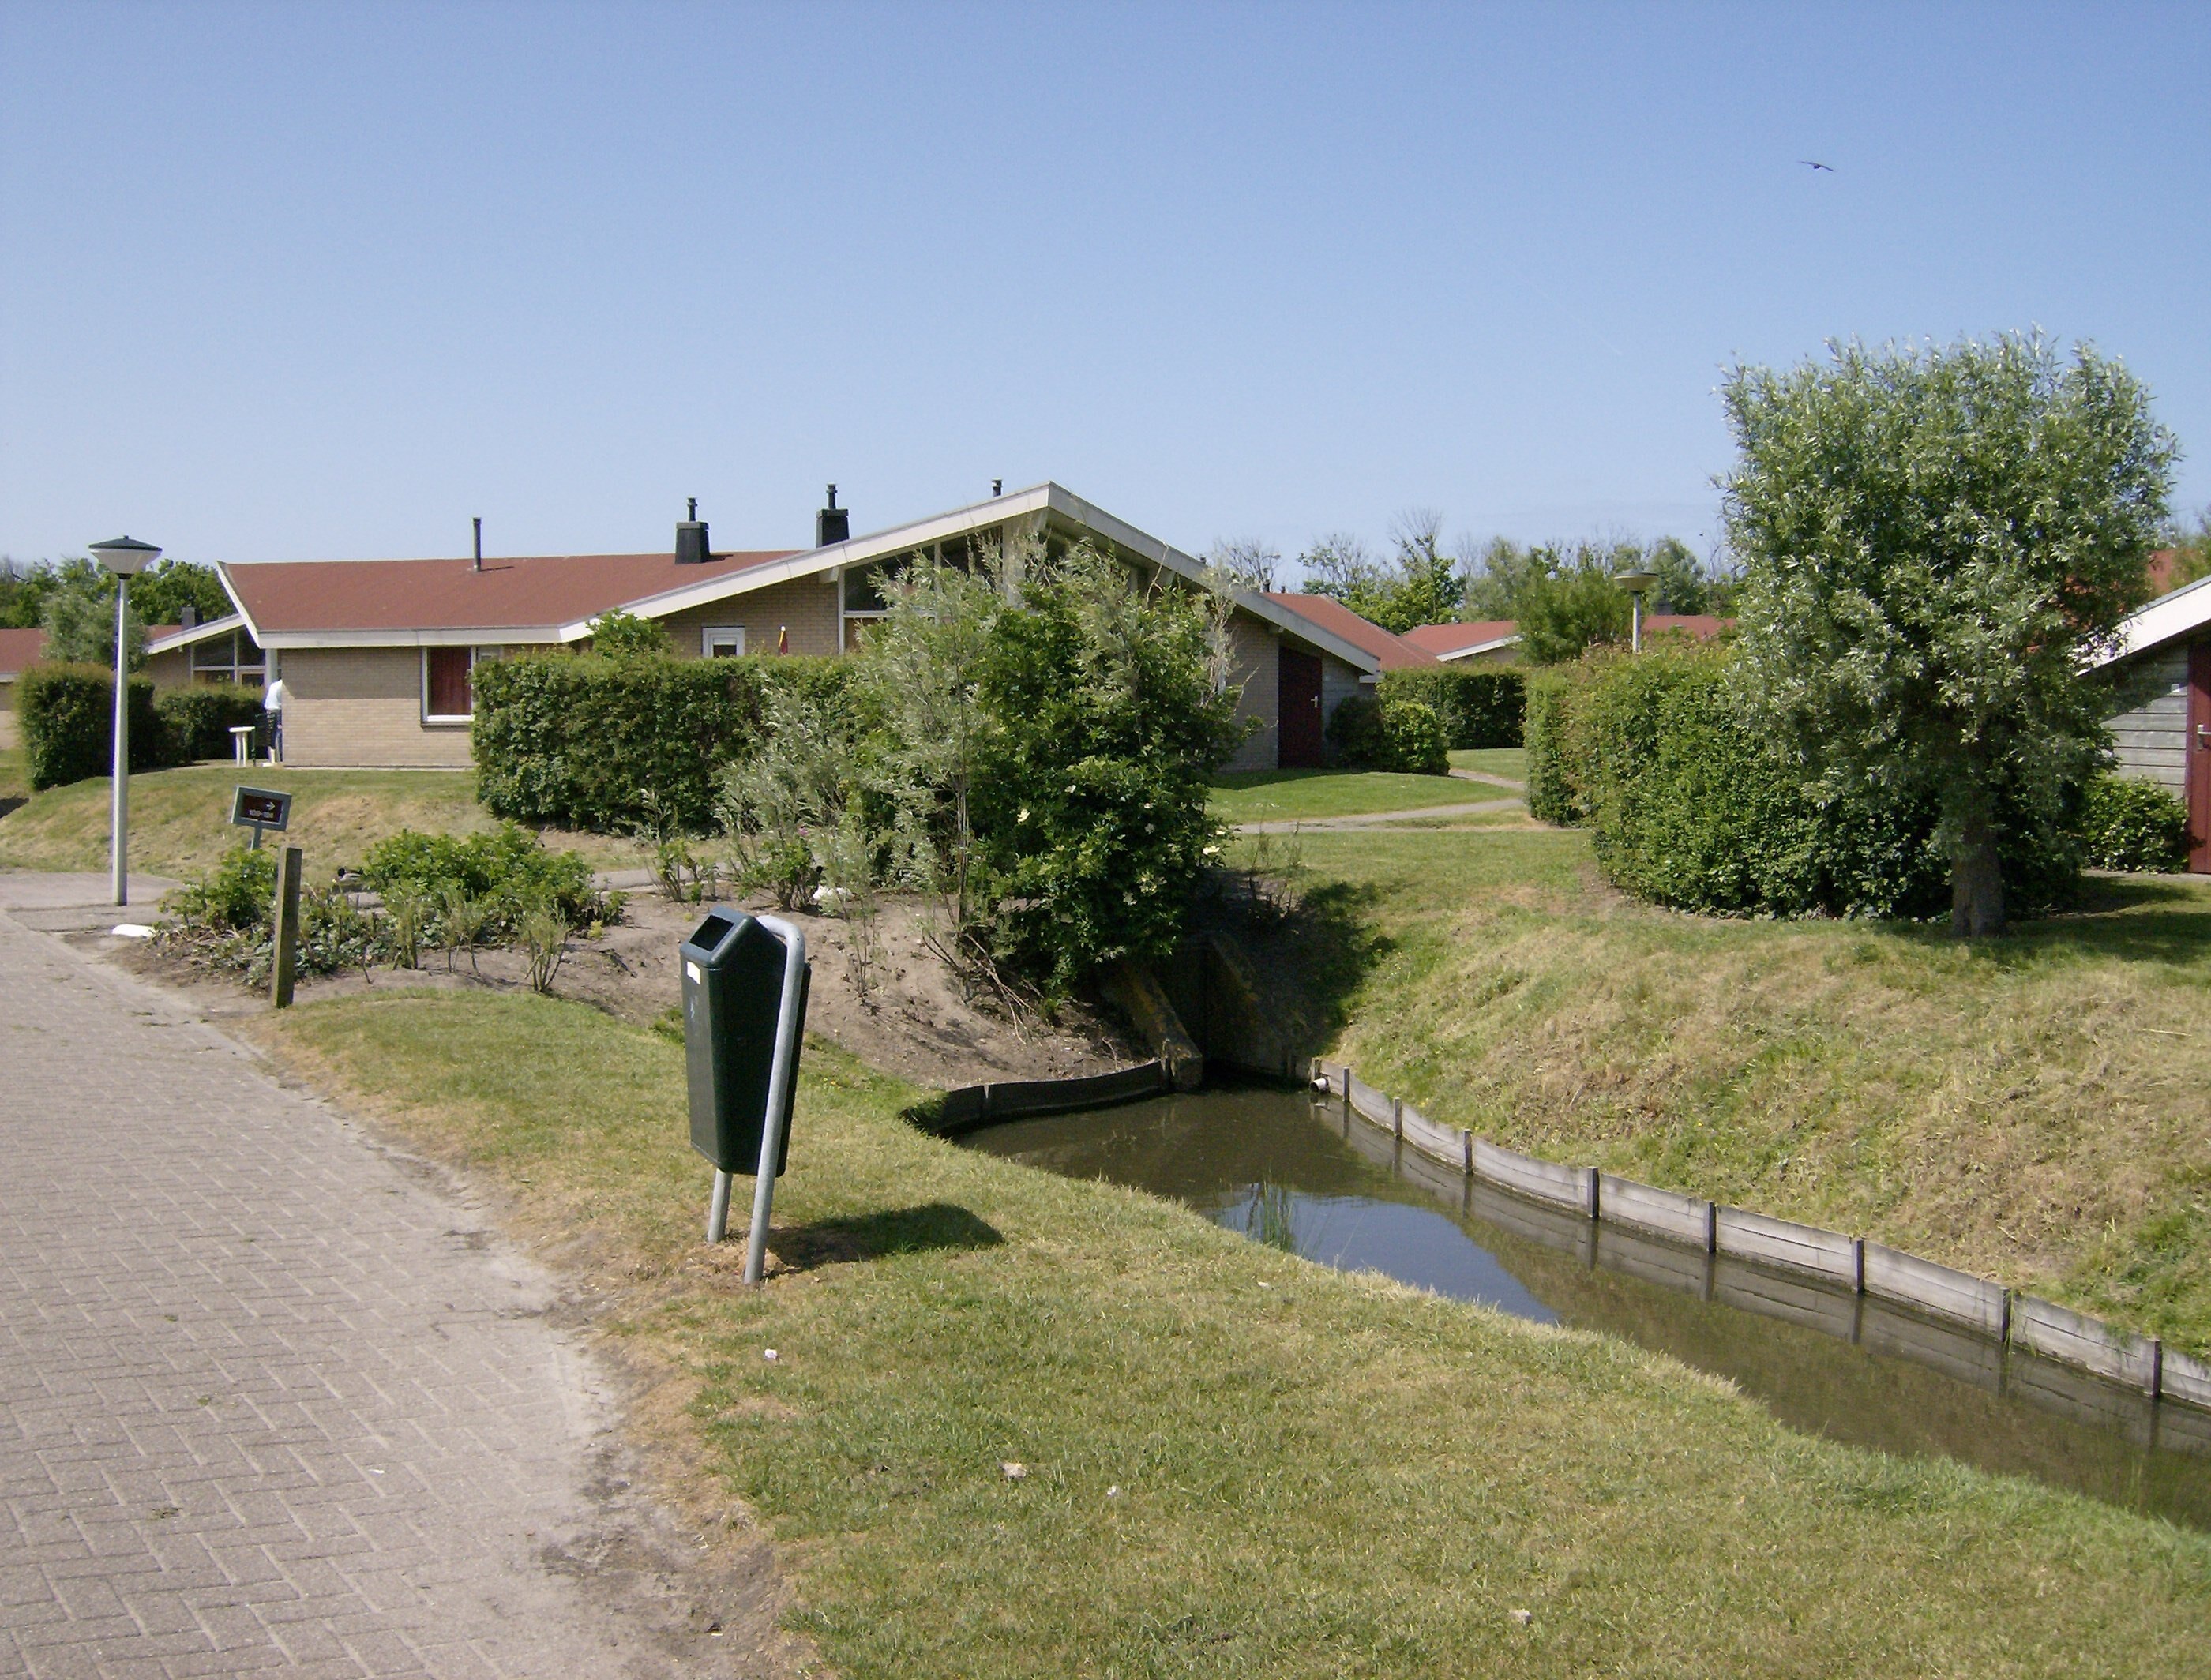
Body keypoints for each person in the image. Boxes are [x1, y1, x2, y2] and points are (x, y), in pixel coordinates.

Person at [262, 669, 287, 764]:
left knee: (271, 733)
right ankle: (280, 757)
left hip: (269, 709)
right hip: (277, 711)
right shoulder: (283, 686)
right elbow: (285, 701)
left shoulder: (274, 684)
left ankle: (272, 756)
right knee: (280, 733)